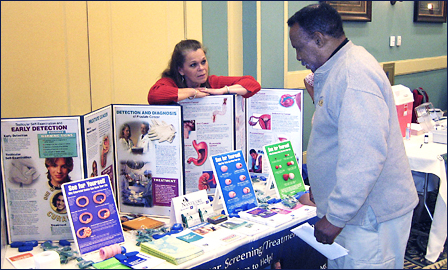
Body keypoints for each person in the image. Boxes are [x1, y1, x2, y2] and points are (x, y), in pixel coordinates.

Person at [287, 3, 418, 269]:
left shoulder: (352, 74)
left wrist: (335, 216)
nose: (298, 56)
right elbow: (338, 137)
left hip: (369, 217)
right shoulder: (339, 67)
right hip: (359, 212)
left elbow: (364, 157)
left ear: (319, 38)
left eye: (298, 47)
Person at [147, 39, 261, 104]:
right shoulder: (170, 82)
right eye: (193, 65)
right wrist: (193, 92)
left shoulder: (212, 82)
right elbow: (154, 96)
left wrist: (222, 91)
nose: (201, 68)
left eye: (203, 62)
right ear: (181, 70)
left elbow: (252, 84)